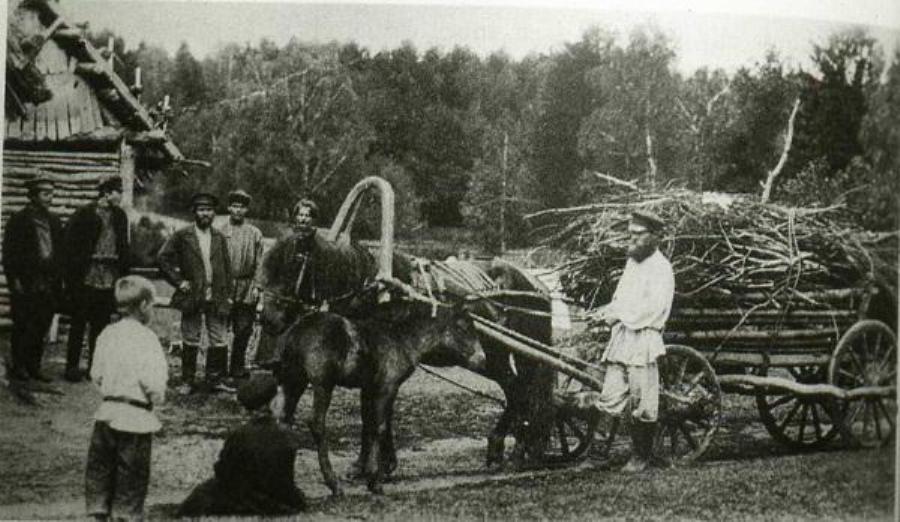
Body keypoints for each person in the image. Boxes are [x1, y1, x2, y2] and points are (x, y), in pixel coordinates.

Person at [591, 210, 674, 473]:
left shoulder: (662, 268)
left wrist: (618, 315)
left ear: (654, 237)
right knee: (610, 395)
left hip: (644, 339)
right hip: (622, 339)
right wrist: (606, 312)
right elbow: (620, 299)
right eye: (631, 234)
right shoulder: (632, 264)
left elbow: (653, 309)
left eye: (638, 234)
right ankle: (597, 455)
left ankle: (641, 456)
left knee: (642, 401)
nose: (633, 239)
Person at [85, 275, 168, 520]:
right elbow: (153, 381)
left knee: (101, 469)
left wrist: (111, 390)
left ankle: (98, 511)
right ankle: (125, 515)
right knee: (131, 474)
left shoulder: (107, 334)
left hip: (107, 413)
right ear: (143, 305)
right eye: (152, 306)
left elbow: (96, 374)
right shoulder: (147, 339)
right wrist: (157, 396)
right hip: (135, 417)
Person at [177, 373, 307, 517]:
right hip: (276, 500)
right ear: (273, 403)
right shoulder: (287, 436)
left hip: (242, 499)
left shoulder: (239, 435)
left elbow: (223, 471)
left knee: (203, 495)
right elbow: (284, 479)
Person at [158, 192, 234, 393]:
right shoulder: (183, 235)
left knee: (219, 338)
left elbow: (227, 268)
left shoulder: (219, 237)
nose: (205, 214)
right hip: (193, 294)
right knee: (191, 337)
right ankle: (187, 381)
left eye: (209, 210)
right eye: (201, 210)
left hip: (216, 295)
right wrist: (179, 281)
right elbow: (163, 258)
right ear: (194, 212)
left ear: (214, 213)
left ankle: (214, 380)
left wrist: (229, 294)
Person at [63, 177, 130, 382]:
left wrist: (123, 269)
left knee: (101, 325)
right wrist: (79, 266)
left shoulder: (120, 216)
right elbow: (69, 244)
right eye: (118, 192)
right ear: (106, 193)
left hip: (109, 277)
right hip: (86, 276)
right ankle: (72, 367)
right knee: (79, 322)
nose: (121, 196)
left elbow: (123, 246)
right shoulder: (85, 214)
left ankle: (95, 367)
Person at [2, 174, 64, 382]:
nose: (50, 198)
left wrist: (58, 278)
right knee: (23, 324)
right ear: (33, 196)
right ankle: (19, 366)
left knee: (41, 324)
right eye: (45, 194)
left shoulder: (54, 220)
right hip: (27, 281)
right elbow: (9, 254)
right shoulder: (19, 220)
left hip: (48, 282)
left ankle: (34, 366)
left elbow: (60, 251)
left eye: (51, 194)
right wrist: (15, 281)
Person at [256, 198, 324, 371]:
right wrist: (266, 288)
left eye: (307, 216)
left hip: (306, 295)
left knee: (302, 331)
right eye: (300, 215)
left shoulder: (319, 244)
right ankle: (269, 363)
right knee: (275, 325)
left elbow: (322, 270)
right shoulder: (285, 239)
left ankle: (297, 367)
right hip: (283, 294)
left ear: (313, 219)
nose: (303, 219)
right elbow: (269, 264)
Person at [218, 190, 264, 381]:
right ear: (229, 208)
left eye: (242, 207)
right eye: (235, 206)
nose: (238, 210)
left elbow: (260, 263)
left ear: (246, 210)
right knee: (220, 329)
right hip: (224, 286)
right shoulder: (220, 231)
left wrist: (257, 287)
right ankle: (218, 370)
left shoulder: (254, 233)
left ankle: (237, 368)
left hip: (246, 286)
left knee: (243, 329)